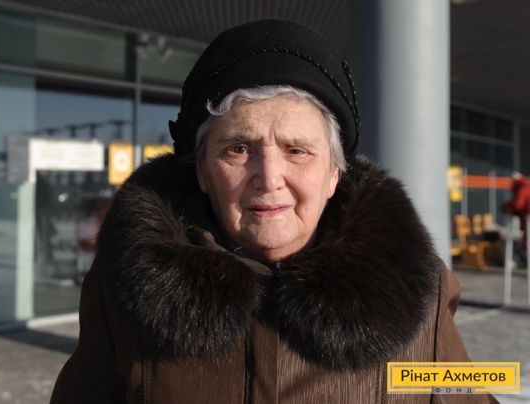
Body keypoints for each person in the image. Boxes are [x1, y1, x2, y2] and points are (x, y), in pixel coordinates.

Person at [52, 20, 496, 403]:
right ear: (202, 170)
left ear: (334, 175)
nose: (269, 178)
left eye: (297, 150)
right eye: (238, 148)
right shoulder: (122, 288)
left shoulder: (416, 291)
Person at [503, 171, 530, 266]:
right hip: (525, 217)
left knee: (526, 239)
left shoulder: (522, 188)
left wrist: (508, 207)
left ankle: (525, 260)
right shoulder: (526, 185)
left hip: (527, 217)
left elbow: (518, 205)